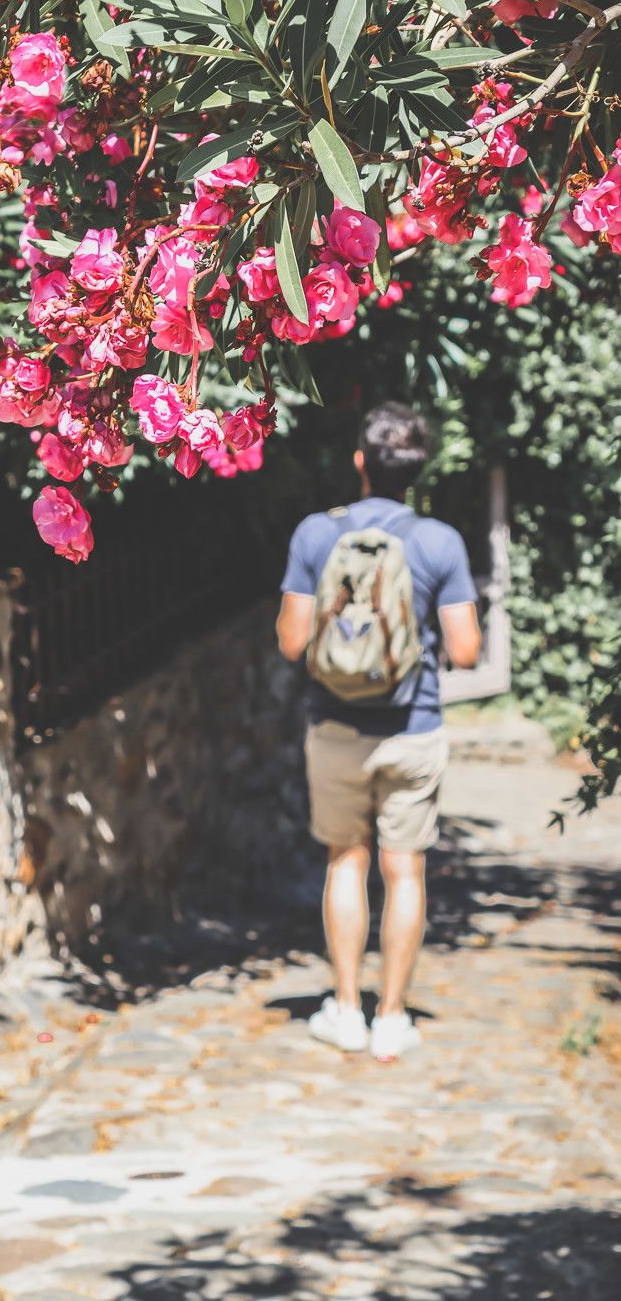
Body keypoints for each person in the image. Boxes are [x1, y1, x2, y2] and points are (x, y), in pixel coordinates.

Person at [276, 402, 481, 1062]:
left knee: (346, 860)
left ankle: (344, 1008)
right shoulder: (440, 542)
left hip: (335, 726)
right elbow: (468, 650)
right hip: (413, 728)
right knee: (405, 871)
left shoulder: (315, 535)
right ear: (419, 469)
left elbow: (291, 641)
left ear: (360, 461)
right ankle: (392, 1016)